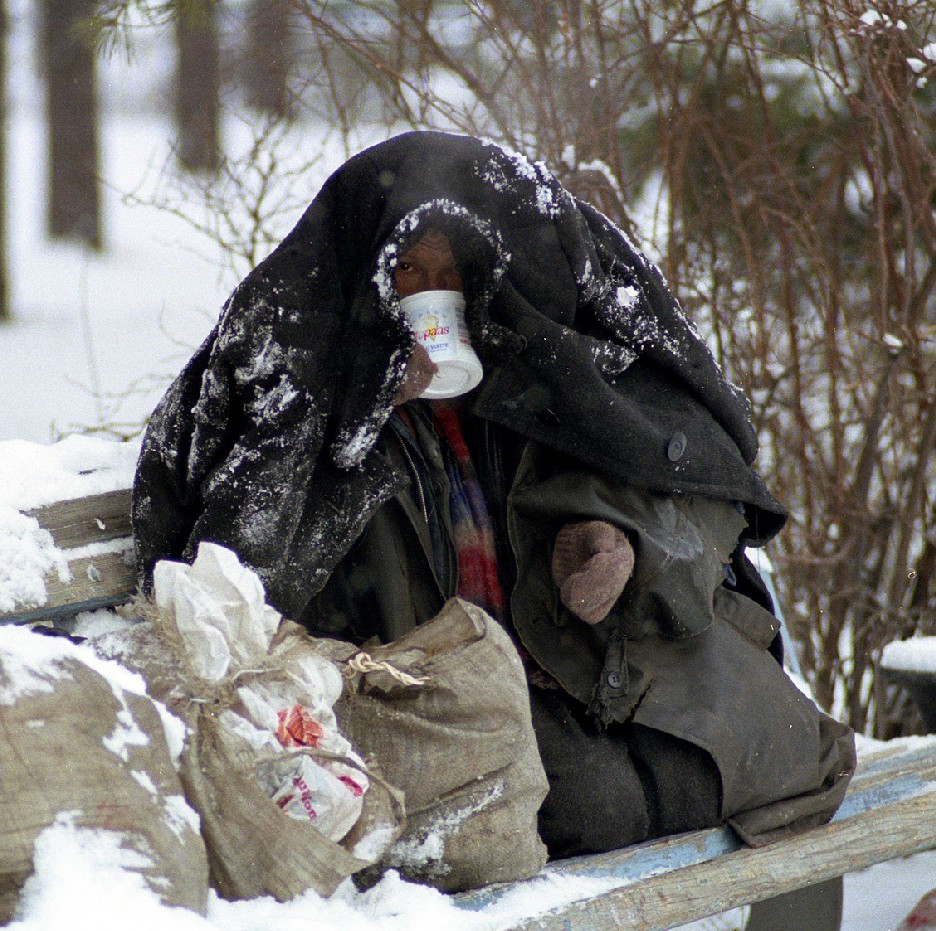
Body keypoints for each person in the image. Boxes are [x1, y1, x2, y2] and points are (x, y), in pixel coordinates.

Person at [132, 131, 854, 861]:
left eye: (452, 269)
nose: (427, 292)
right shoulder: (296, 388)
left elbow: (697, 471)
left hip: (582, 672)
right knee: (591, 808)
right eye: (407, 269)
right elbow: (242, 581)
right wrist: (365, 415)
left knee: (784, 754)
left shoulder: (540, 362)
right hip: (434, 708)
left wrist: (615, 533)